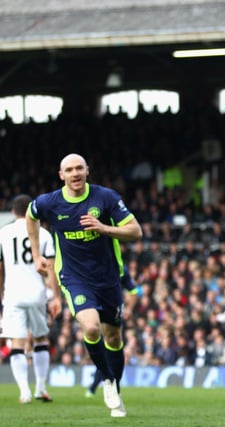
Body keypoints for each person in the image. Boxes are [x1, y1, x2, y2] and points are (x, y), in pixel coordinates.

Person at [26, 153, 142, 417]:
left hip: (108, 277)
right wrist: (36, 253)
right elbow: (30, 215)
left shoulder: (106, 198)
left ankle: (115, 385)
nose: (75, 173)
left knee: (113, 336)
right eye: (69, 170)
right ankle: (109, 381)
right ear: (61, 175)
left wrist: (104, 228)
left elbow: (136, 231)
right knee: (90, 327)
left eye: (79, 168)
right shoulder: (50, 202)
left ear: (87, 171)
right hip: (74, 277)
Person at [0, 194, 62, 404]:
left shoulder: (3, 233)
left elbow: (0, 269)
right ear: (30, 210)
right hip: (37, 293)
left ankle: (24, 391)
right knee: (40, 339)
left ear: (14, 212)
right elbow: (51, 268)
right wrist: (55, 296)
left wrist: (1, 294)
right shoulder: (44, 234)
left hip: (13, 294)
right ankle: (41, 388)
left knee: (17, 343)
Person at [86, 266, 139, 397]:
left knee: (110, 349)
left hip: (115, 313)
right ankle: (102, 385)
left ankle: (101, 385)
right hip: (98, 313)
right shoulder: (90, 265)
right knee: (106, 352)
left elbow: (134, 291)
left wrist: (130, 309)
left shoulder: (121, 269)